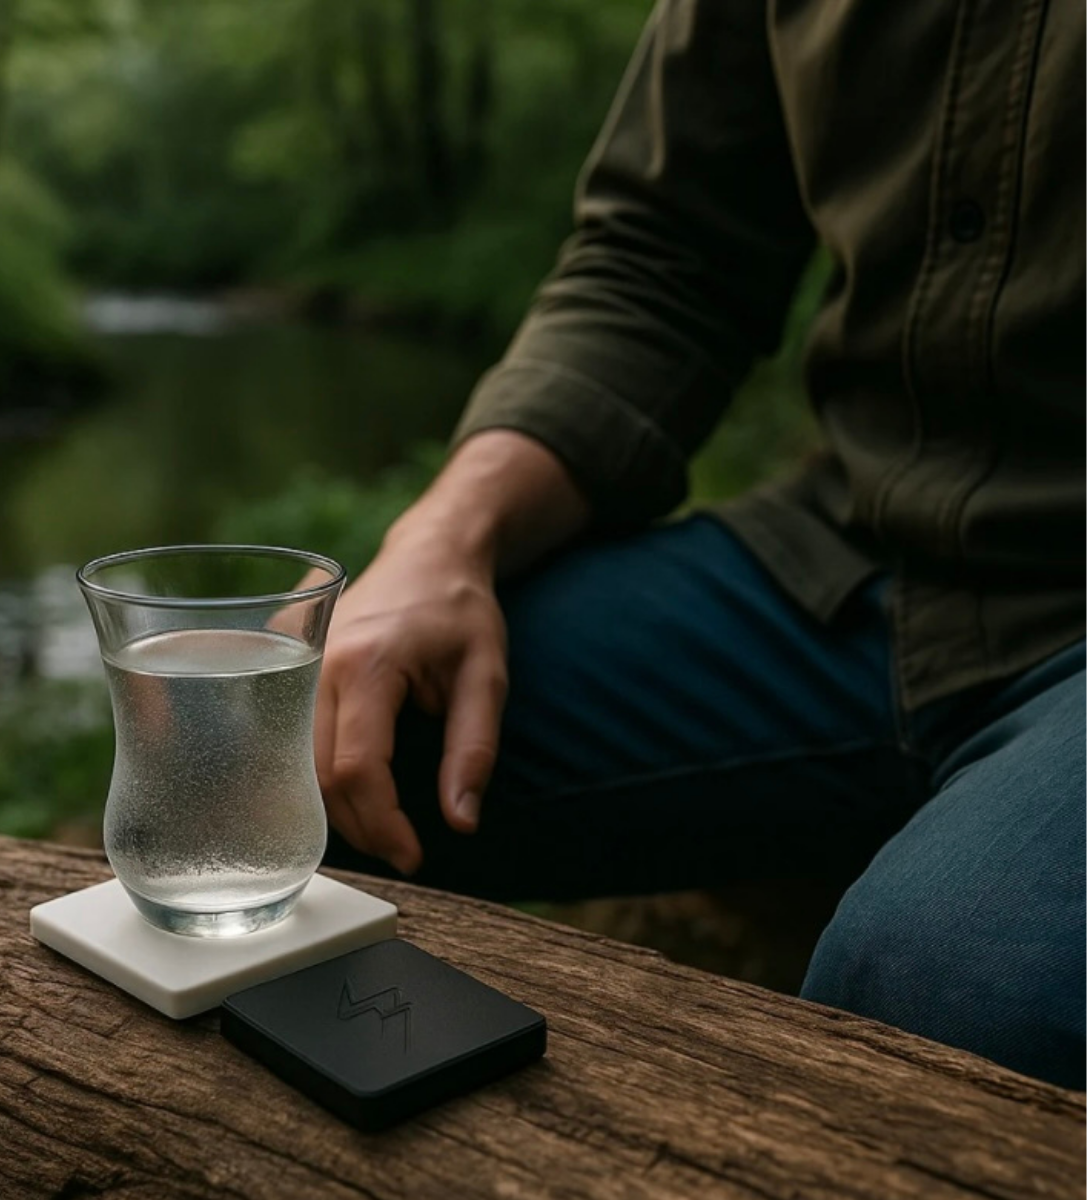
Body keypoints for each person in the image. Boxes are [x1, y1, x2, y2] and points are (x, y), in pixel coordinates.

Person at [312, 0, 1085, 1089]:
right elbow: (665, 255)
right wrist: (443, 533)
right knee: (286, 759)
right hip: (845, 572)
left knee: (946, 994)